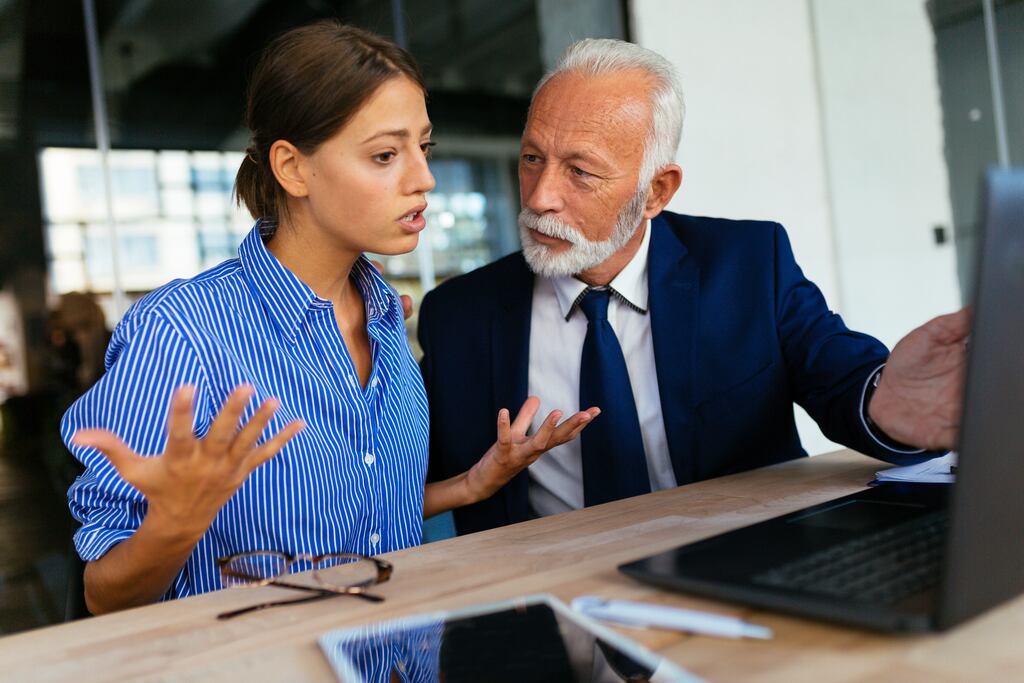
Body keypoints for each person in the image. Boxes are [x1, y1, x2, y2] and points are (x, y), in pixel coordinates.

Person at [61, 21, 596, 615]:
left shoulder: (386, 318)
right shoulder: (182, 332)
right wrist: (175, 525)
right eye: (386, 155)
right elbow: (103, 595)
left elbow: (356, 512)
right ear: (292, 169)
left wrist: (473, 484)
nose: (423, 179)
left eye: (425, 148)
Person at [418, 38, 968, 535]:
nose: (539, 198)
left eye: (580, 172)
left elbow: (842, 377)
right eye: (533, 159)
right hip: (540, 610)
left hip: (734, 576)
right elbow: (398, 485)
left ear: (657, 191)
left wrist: (884, 400)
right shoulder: (457, 316)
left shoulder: (751, 266)